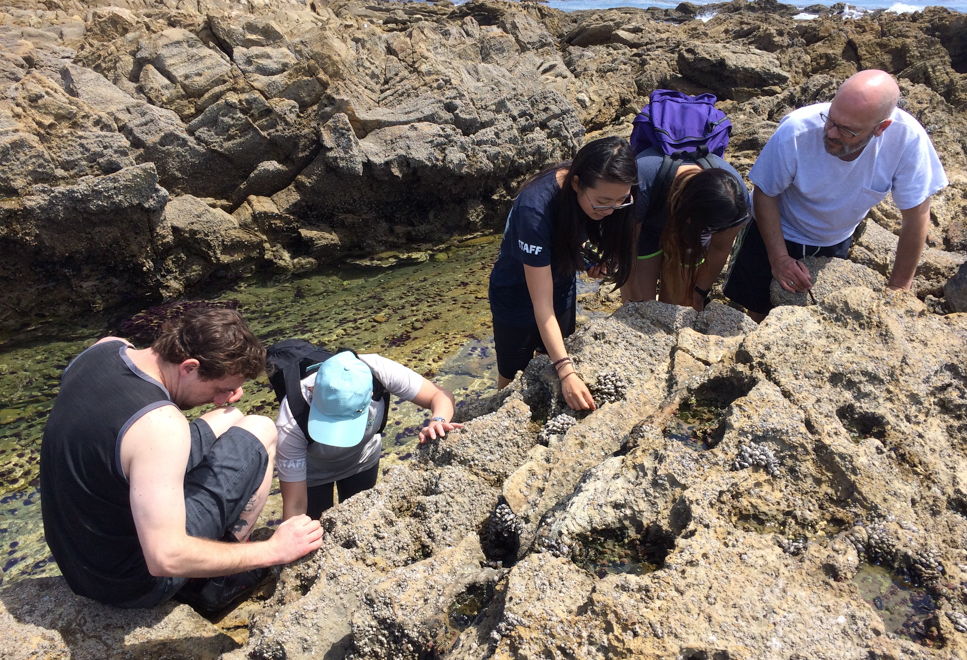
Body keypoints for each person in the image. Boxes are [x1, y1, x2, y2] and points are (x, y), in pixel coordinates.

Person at [40, 307, 324, 611]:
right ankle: (215, 581)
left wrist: (223, 385)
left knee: (229, 416)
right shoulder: (161, 424)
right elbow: (165, 557)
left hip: (80, 562)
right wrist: (273, 550)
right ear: (189, 367)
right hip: (132, 583)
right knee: (262, 429)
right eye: (219, 389)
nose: (222, 397)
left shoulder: (105, 348)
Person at [723, 69, 949, 322]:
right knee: (758, 309)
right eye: (830, 119)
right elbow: (765, 192)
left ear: (880, 128)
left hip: (835, 239)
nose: (831, 133)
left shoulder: (908, 141)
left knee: (817, 319)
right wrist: (779, 258)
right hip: (774, 229)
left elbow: (917, 214)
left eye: (846, 130)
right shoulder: (797, 131)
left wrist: (898, 288)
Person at [488, 136, 637, 411]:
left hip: (561, 283)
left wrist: (587, 260)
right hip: (514, 295)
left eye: (621, 201)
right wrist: (567, 372)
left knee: (552, 355)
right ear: (577, 183)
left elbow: (575, 232)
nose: (611, 211)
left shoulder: (604, 190)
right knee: (511, 376)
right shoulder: (534, 209)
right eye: (603, 202)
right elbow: (541, 305)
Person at [277, 351, 461, 521]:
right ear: (312, 390)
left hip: (362, 462)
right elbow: (295, 507)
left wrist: (438, 420)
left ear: (371, 393)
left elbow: (439, 395)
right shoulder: (291, 419)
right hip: (314, 475)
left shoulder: (379, 371)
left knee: (361, 520)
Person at [621, 152, 750, 308]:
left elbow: (719, 248)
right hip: (647, 226)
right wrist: (635, 300)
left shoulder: (736, 201)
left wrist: (699, 293)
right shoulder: (642, 181)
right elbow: (625, 248)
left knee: (679, 304)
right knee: (641, 305)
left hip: (691, 234)